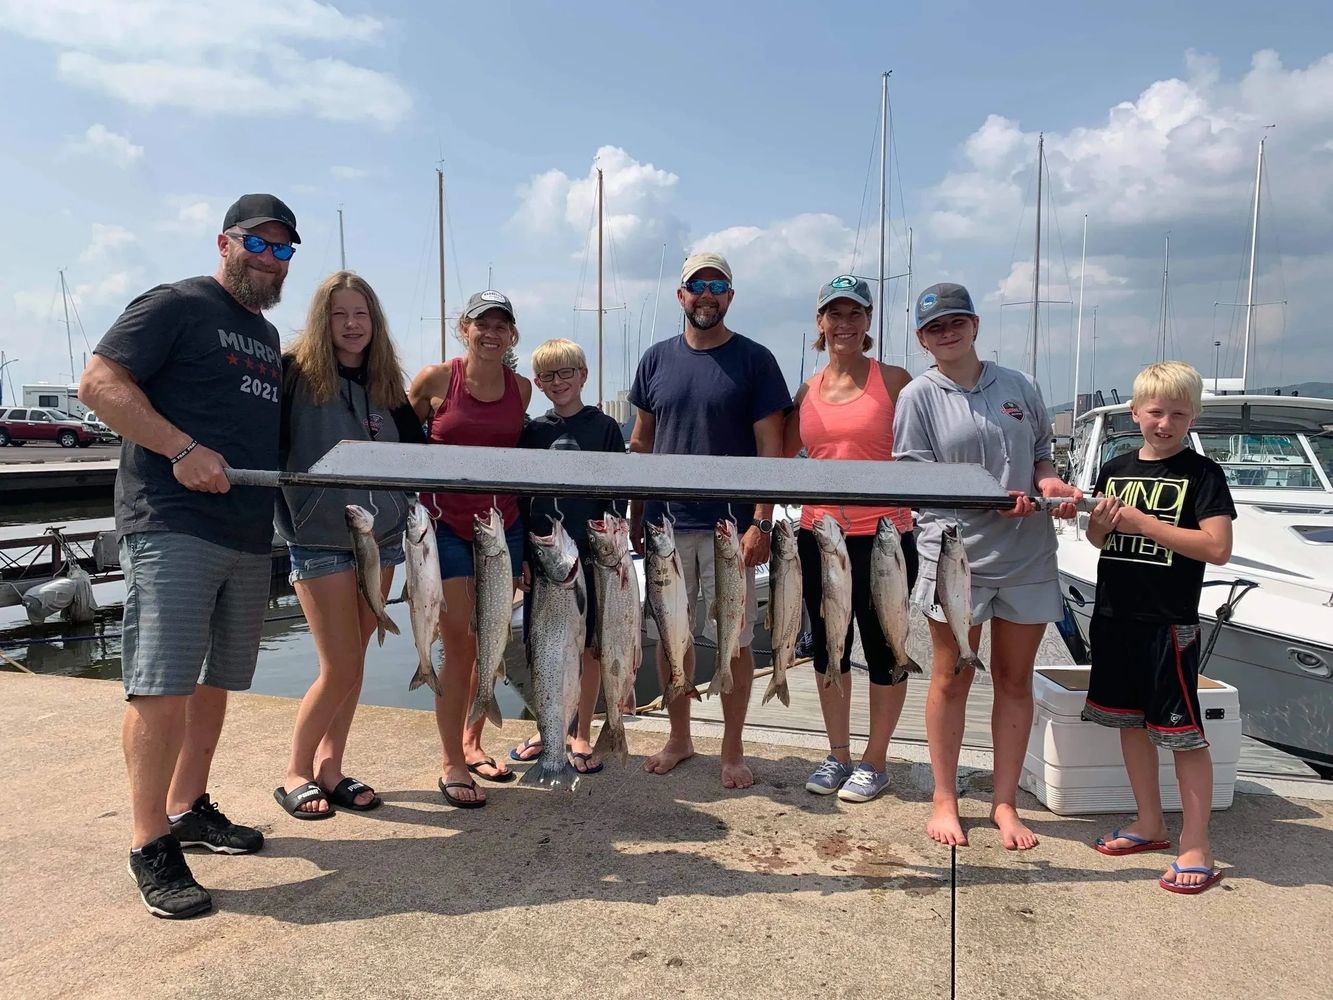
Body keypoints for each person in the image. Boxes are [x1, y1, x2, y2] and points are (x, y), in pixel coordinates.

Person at [79, 193, 299, 918]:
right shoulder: (178, 303)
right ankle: (149, 842)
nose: (268, 260)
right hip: (173, 522)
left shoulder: (266, 338)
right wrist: (180, 448)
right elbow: (99, 384)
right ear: (224, 243)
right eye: (257, 245)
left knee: (215, 683)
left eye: (282, 250)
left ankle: (187, 808)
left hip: (244, 533)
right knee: (162, 683)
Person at [893, 282, 1081, 850]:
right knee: (952, 676)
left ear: (975, 324)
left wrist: (1046, 480)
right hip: (955, 555)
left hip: (1027, 552)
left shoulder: (1018, 385)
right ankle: (945, 796)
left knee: (1014, 680)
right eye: (934, 328)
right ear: (923, 340)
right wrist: (988, 497)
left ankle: (1004, 802)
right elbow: (913, 479)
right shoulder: (918, 397)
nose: (947, 333)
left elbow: (1043, 451)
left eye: (955, 322)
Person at [627, 251, 791, 789]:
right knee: (671, 636)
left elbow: (771, 451)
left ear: (730, 296)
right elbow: (641, 443)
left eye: (717, 284)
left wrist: (761, 521)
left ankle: (732, 745)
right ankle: (679, 736)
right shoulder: (654, 359)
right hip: (667, 529)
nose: (706, 293)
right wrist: (636, 511)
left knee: (737, 642)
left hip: (730, 531)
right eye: (696, 284)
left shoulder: (756, 360)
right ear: (681, 296)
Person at [273, 271, 425, 817]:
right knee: (336, 664)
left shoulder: (387, 384)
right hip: (318, 540)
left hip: (381, 540)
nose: (352, 324)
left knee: (355, 662)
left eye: (361, 314)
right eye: (339, 314)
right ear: (322, 320)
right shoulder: (294, 375)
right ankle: (296, 769)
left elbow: (418, 451)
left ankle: (331, 768)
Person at [1083, 362, 1235, 893]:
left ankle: (1197, 844)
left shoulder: (1203, 474)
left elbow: (1217, 548)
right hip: (1113, 617)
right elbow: (1099, 541)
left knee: (1183, 735)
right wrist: (1098, 522)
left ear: (1193, 416)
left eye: (1177, 413)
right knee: (1129, 723)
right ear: (1135, 412)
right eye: (1155, 411)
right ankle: (1149, 821)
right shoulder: (1115, 465)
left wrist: (1146, 523)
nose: (1164, 422)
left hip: (1168, 625)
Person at [783, 275, 917, 803]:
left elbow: (925, 450)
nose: (843, 324)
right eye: (833, 315)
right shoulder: (808, 390)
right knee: (829, 648)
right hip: (820, 536)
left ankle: (875, 760)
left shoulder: (897, 380)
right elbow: (779, 457)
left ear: (868, 323)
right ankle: (837, 752)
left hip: (884, 537)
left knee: (885, 647)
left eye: (854, 314)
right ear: (820, 323)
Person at [408, 290, 532, 807]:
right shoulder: (435, 380)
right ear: (464, 329)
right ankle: (451, 762)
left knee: (492, 635)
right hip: (445, 529)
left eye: (502, 326)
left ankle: (473, 740)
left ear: (512, 336)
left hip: (505, 530)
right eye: (483, 324)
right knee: (458, 640)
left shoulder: (522, 388)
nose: (492, 333)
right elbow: (399, 442)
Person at [508, 338, 627, 774]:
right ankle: (549, 725)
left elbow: (618, 490)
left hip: (591, 557)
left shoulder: (606, 429)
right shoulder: (532, 433)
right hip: (545, 562)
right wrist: (521, 552)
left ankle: (581, 732)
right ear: (538, 383)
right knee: (546, 645)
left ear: (583, 375)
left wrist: (612, 541)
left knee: (589, 646)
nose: (559, 382)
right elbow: (520, 499)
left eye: (567, 373)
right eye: (549, 376)